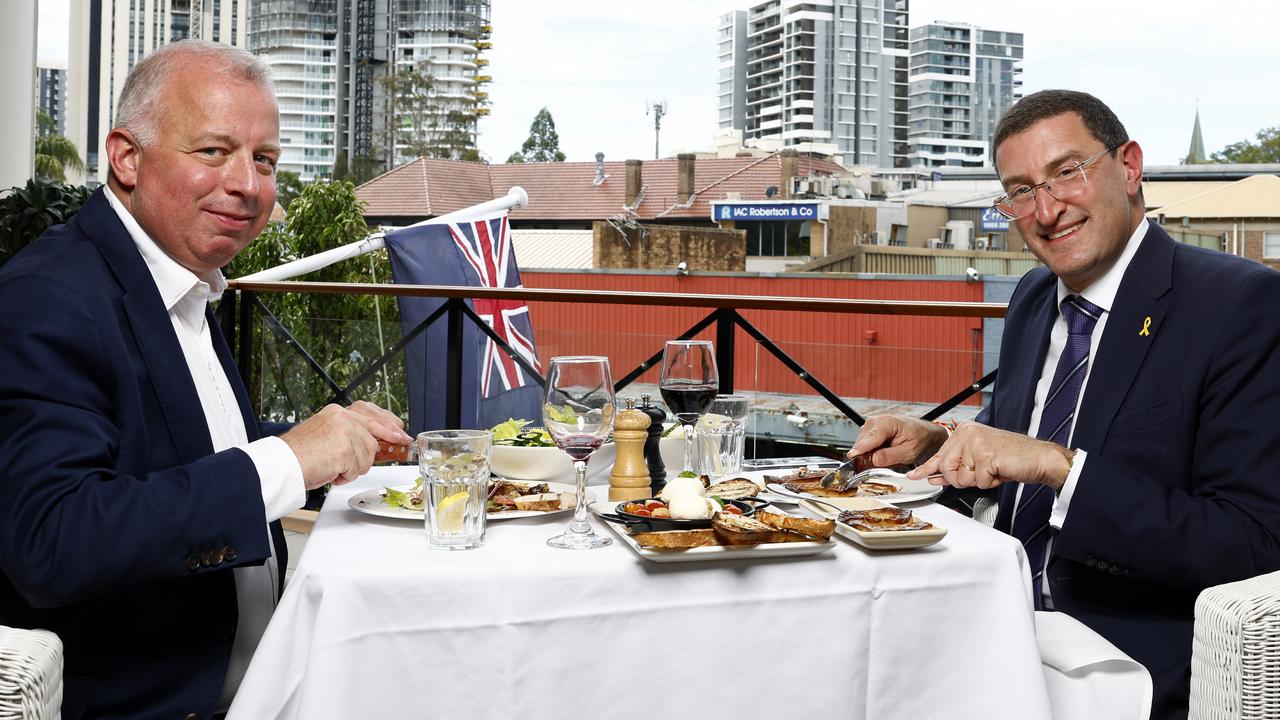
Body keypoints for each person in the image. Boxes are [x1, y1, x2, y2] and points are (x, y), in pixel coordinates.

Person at [0, 40, 412, 719]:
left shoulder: (176, 279)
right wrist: (285, 458)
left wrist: (330, 444)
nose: (248, 185)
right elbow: (54, 539)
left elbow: (173, 450)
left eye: (265, 160)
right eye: (214, 152)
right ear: (127, 157)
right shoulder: (47, 297)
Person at [850, 90, 1280, 719]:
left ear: (1129, 167)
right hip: (983, 617)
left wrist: (1060, 467)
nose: (1046, 210)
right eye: (1021, 190)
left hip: (1122, 656)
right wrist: (939, 441)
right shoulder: (1032, 295)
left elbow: (1253, 545)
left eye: (1067, 172)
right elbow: (1013, 441)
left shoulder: (1241, 306)